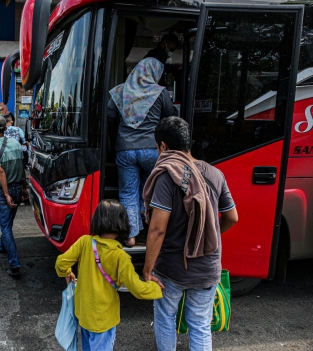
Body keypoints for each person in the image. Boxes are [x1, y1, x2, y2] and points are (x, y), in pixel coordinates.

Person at [142, 117, 238, 351]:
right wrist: (207, 239)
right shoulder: (215, 174)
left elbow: (157, 229)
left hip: (172, 268)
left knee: (166, 318)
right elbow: (232, 217)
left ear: (163, 146)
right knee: (200, 324)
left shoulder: (166, 176)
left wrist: (147, 270)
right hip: (208, 266)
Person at [56, 200, 163, 350]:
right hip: (104, 319)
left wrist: (67, 272)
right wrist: (156, 288)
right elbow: (137, 289)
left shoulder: (85, 242)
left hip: (84, 315)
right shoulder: (120, 256)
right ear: (122, 223)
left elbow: (61, 263)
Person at [108, 57, 176, 247]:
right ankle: (147, 225)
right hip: (152, 149)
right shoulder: (160, 92)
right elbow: (170, 117)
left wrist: (116, 139)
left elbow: (110, 115)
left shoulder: (121, 91)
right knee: (149, 189)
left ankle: (130, 236)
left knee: (128, 191)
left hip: (125, 149)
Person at [0, 115, 28, 277]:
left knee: (5, 227)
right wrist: (24, 188)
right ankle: (3, 245)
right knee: (8, 223)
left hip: (5, 191)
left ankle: (15, 264)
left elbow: (0, 171)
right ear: (5, 128)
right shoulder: (16, 144)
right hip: (18, 187)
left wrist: (6, 194)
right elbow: (22, 166)